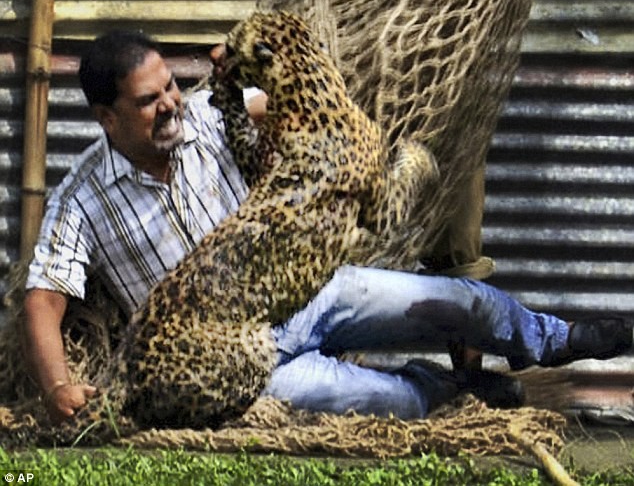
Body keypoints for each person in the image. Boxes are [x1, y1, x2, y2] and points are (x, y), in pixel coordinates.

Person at [23, 30, 632, 425]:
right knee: (383, 401)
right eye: (149, 100)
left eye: (172, 87)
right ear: (107, 117)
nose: (172, 104)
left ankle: (557, 338)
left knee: (460, 302)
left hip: (314, 290)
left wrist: (255, 73)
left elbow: (298, 106)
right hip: (245, 359)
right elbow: (44, 298)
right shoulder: (82, 196)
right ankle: (465, 394)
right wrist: (57, 387)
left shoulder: (207, 117)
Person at [275, 0, 554, 368]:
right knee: (338, 222)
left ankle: (469, 380)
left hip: (442, 101)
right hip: (353, 84)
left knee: (458, 242)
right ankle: (325, 366)